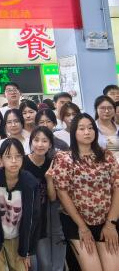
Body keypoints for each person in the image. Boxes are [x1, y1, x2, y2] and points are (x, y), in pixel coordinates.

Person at [51, 113, 119, 271]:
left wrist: (111, 224)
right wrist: (82, 227)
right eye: (81, 128)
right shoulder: (64, 158)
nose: (87, 132)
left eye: (90, 128)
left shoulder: (106, 155)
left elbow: (117, 186)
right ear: (74, 132)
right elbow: (62, 193)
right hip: (76, 223)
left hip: (106, 221)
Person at [0, 138, 40, 271]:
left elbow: (33, 218)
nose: (14, 161)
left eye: (18, 156)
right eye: (8, 157)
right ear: (0, 160)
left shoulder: (30, 182)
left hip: (18, 237)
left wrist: (26, 250)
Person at [24, 127, 63, 271]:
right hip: (25, 217)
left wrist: (49, 179)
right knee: (31, 264)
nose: (40, 144)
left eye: (44, 141)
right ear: (31, 142)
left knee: (45, 264)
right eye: (36, 140)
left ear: (50, 144)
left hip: (43, 217)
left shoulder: (51, 163)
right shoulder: (22, 162)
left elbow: (52, 198)